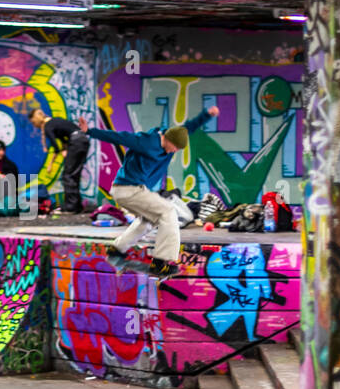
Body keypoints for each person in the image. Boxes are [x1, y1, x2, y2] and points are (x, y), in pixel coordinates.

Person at [78, 105, 220, 279]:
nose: (174, 151)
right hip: (128, 189)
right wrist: (89, 131)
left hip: (134, 190)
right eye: (174, 147)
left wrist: (207, 114)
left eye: (177, 150)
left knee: (148, 221)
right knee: (168, 212)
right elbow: (119, 137)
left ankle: (117, 248)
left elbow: (189, 127)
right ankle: (161, 263)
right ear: (167, 139)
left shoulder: (173, 137)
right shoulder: (146, 142)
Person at [28, 108, 89, 212]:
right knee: (74, 174)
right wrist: (64, 149)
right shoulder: (55, 121)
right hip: (83, 140)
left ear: (36, 119)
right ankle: (76, 205)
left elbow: (54, 144)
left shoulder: (47, 126)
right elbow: (64, 137)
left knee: (68, 175)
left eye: (33, 122)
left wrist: (59, 152)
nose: (34, 125)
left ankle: (71, 207)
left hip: (76, 142)